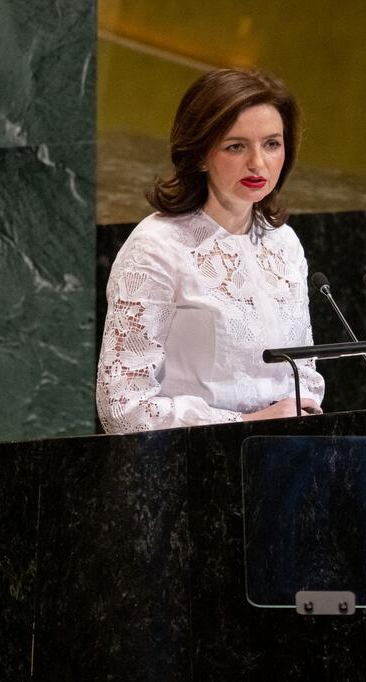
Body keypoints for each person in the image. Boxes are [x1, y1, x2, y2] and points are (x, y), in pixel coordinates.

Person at [96, 69, 324, 433]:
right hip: (196, 457)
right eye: (236, 146)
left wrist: (302, 410)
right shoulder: (155, 248)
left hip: (284, 453)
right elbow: (123, 409)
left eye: (271, 144)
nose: (258, 163)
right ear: (201, 154)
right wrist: (247, 423)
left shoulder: (284, 242)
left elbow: (304, 374)